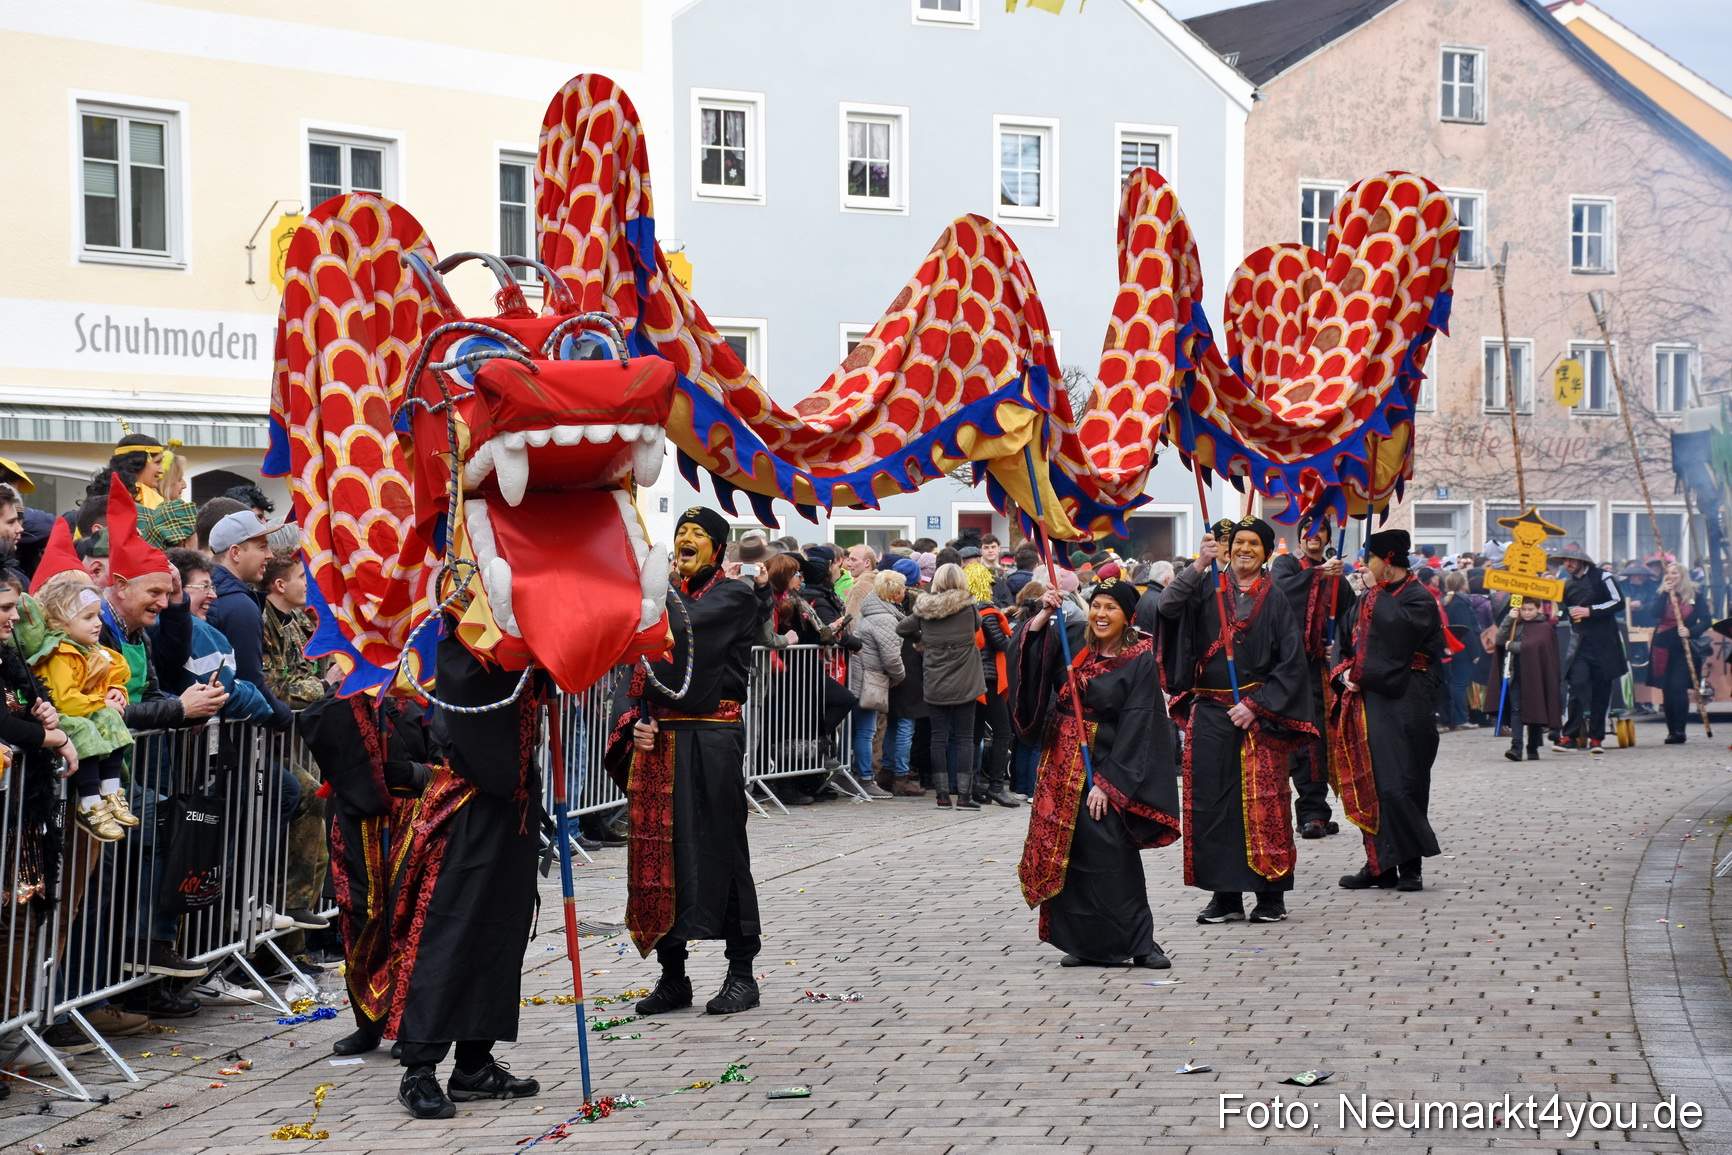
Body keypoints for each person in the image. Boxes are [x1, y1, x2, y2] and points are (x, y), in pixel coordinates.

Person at [606, 507, 771, 1020]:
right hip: (661, 742)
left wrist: (641, 597)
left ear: (717, 549)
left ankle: (742, 974)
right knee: (659, 853)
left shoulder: (733, 595)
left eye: (699, 534)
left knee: (723, 848)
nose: (687, 539)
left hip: (713, 738)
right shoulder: (661, 598)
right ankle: (672, 976)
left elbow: (682, 628)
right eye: (681, 532)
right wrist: (634, 721)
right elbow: (634, 662)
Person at [1015, 578, 1181, 967]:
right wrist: (1043, 614)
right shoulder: (1073, 640)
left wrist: (1109, 783)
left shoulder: (1140, 657)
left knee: (1111, 852)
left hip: (1105, 763)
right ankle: (1082, 943)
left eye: (1111, 608)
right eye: (1096, 606)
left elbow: (1140, 722)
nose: (1101, 614)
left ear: (1128, 617)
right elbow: (1031, 659)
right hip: (1060, 765)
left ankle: (1140, 943)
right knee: (1070, 852)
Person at [1158, 516, 1311, 925]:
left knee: (1266, 802)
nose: (1245, 549)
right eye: (1239, 542)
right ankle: (1225, 896)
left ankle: (1271, 895)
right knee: (1213, 803)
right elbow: (1166, 606)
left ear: (1266, 553)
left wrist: (1257, 705)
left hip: (1259, 715)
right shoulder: (1207, 586)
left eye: (1254, 544)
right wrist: (1198, 564)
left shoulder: (1276, 598)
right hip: (1210, 710)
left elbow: (1290, 663)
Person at [297, 690, 431, 1060]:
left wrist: (414, 773)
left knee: (406, 918)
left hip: (412, 821)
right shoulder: (346, 695)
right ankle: (369, 1020)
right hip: (357, 822)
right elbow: (316, 723)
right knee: (359, 916)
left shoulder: (426, 696)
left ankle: (408, 1023)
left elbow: (450, 764)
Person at [1333, 530, 1444, 893]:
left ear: (1389, 560)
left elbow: (1400, 635)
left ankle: (1410, 866)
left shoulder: (1418, 598)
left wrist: (1376, 596)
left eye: (1370, 558)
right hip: (1366, 699)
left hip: (1406, 700)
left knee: (1403, 783)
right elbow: (1345, 640)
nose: (1363, 565)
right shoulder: (1368, 596)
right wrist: (1345, 673)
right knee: (1372, 783)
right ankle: (1379, 864)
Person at [25, 575, 137, 843]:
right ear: (60, 622)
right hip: (61, 716)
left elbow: (118, 669)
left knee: (111, 717)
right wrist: (101, 702)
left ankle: (111, 791)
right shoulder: (58, 654)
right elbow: (64, 700)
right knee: (84, 727)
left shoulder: (90, 647)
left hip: (84, 708)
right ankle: (89, 803)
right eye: (88, 617)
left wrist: (117, 690)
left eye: (98, 615)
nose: (98, 623)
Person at [1270, 518, 1353, 840]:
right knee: (1297, 740)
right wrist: (1319, 574)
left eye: (1320, 531)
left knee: (1321, 740)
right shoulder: (1287, 565)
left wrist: (1339, 647)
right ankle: (1302, 811)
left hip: (1322, 673)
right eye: (1307, 530)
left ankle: (1315, 812)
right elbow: (1280, 592)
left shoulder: (1338, 578)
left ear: (1329, 538)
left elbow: (1350, 619)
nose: (1312, 536)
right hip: (1289, 669)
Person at [897, 562, 985, 808]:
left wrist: (923, 639)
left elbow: (902, 628)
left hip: (935, 678)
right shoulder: (969, 608)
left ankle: (942, 796)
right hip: (966, 679)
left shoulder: (924, 608)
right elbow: (977, 626)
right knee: (965, 737)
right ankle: (964, 796)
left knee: (938, 737)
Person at [1550, 543, 1626, 754]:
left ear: (1581, 560)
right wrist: (1557, 611)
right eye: (1565, 560)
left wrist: (1590, 610)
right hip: (1580, 644)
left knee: (1601, 692)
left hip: (1604, 644)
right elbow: (1563, 611)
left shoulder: (1604, 577)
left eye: (1571, 560)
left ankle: (1596, 738)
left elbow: (1618, 602)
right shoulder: (1565, 584)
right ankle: (1570, 736)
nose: (1567, 564)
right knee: (1576, 687)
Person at [849, 567, 906, 799]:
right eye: (902, 588)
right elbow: (891, 657)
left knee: (859, 730)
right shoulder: (885, 619)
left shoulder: (870, 610)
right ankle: (865, 778)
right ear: (894, 593)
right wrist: (899, 676)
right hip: (870, 680)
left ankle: (852, 775)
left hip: (863, 676)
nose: (905, 591)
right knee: (866, 731)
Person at [1647, 562, 1710, 744]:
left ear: (1682, 575)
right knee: (1667, 689)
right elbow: (1654, 613)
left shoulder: (1695, 596)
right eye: (1668, 573)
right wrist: (1665, 594)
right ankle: (1671, 731)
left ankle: (1680, 730)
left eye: (1675, 573)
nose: (1671, 576)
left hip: (1684, 647)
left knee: (1678, 688)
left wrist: (1691, 631)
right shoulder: (1660, 594)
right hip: (1662, 646)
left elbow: (1706, 620)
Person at [880, 569, 927, 796]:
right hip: (908, 673)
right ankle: (900, 777)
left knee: (894, 725)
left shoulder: (884, 609)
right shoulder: (907, 613)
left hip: (896, 674)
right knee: (905, 727)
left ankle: (888, 772)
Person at [1497, 599, 1561, 761]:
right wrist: (1509, 618)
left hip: (1536, 675)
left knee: (1535, 708)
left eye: (1530, 609)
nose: (1526, 612)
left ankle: (1532, 746)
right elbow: (1500, 640)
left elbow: (1534, 645)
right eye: (1523, 609)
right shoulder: (1515, 623)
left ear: (1537, 609)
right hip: (1516, 672)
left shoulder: (1544, 627)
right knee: (1516, 709)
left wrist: (1513, 646)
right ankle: (1516, 746)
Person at [1439, 571, 1483, 731]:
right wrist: (1475, 652)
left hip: (1453, 648)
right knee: (1460, 684)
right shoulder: (1459, 603)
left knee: (1456, 683)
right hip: (1462, 649)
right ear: (1461, 584)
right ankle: (1459, 719)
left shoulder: (1446, 601)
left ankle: (1456, 718)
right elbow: (1467, 630)